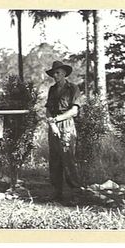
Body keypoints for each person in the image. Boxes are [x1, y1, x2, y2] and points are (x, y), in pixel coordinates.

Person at [44, 60, 82, 201]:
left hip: (66, 125)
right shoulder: (52, 89)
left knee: (68, 158)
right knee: (54, 159)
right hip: (53, 125)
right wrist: (52, 124)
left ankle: (75, 192)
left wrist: (57, 120)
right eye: (54, 73)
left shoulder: (73, 88)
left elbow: (74, 111)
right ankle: (56, 191)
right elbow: (48, 110)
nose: (55, 75)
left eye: (58, 72)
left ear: (65, 73)